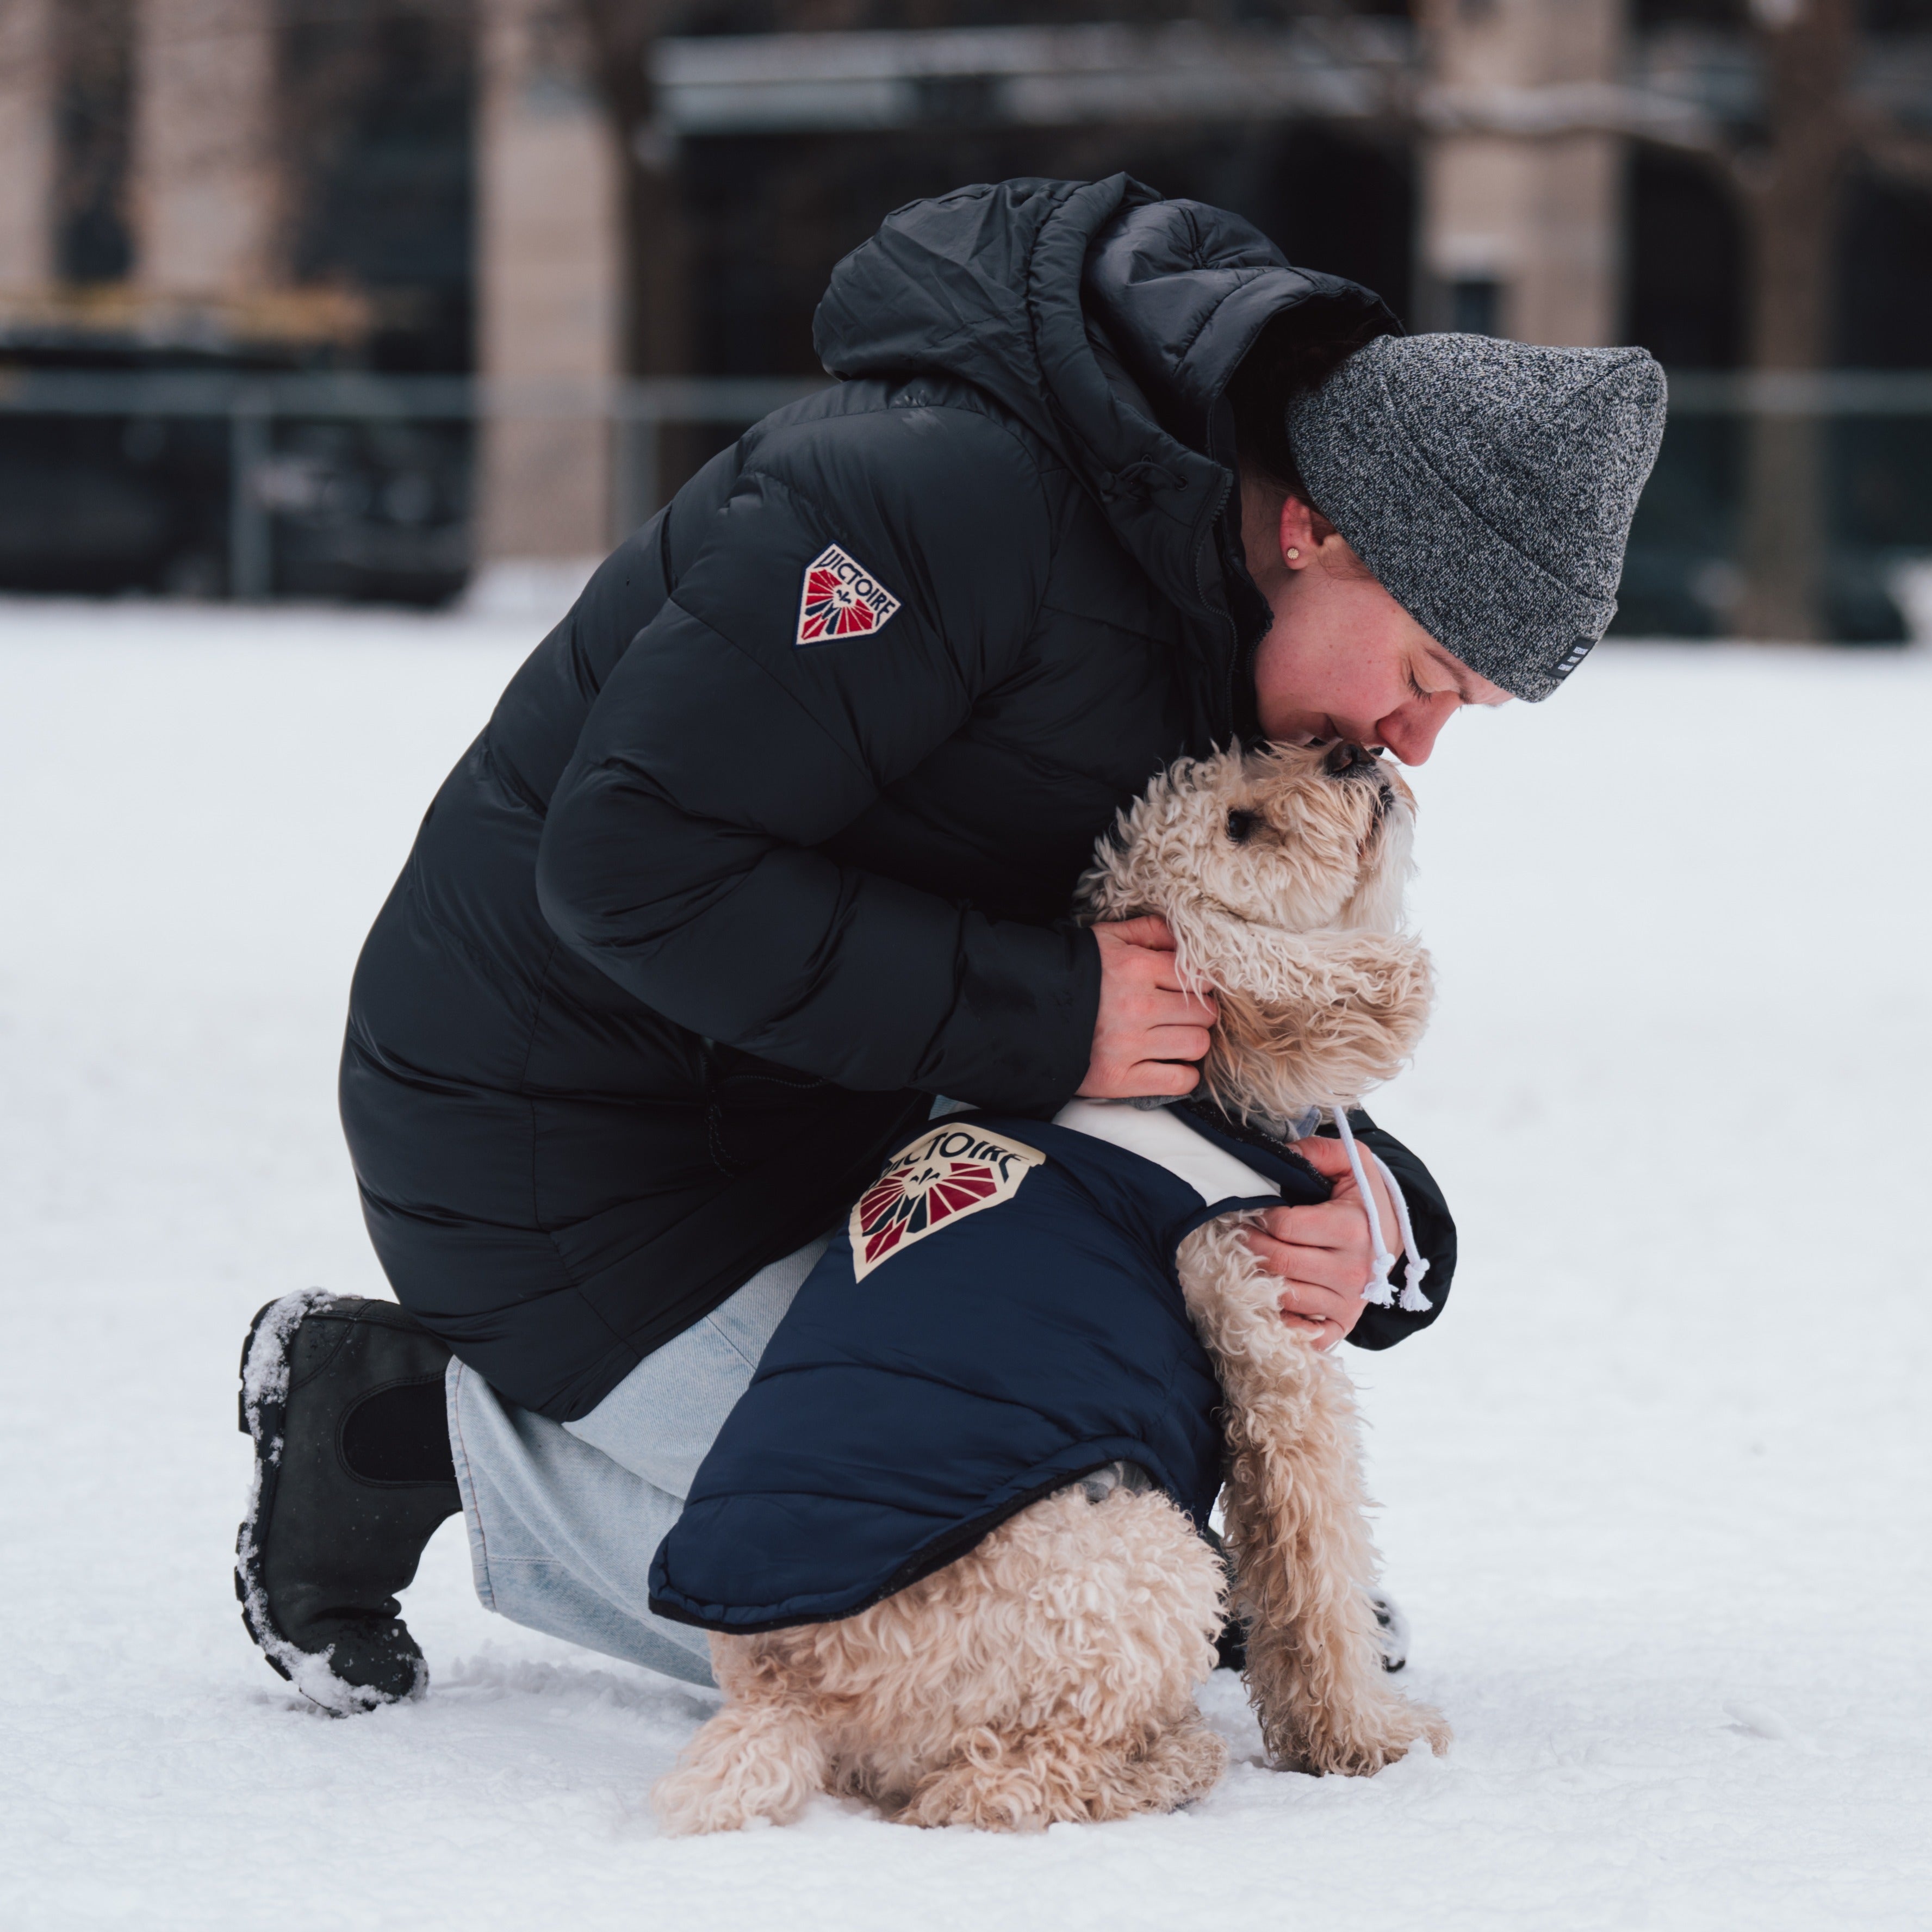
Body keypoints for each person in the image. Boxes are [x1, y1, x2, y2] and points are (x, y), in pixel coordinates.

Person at [234, 176, 1666, 1709]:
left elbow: (1199, 1003)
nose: (1417, 743)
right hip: (564, 1144)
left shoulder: (1238, 640)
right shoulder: (931, 501)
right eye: (1428, 675)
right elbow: (633, 865)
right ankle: (405, 1427)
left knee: (1109, 1581)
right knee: (966, 1650)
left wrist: (1372, 1211)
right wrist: (1052, 1017)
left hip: (856, 1115)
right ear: (1316, 525)